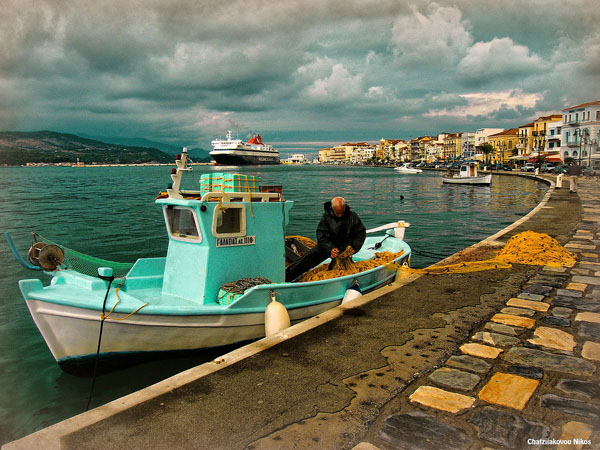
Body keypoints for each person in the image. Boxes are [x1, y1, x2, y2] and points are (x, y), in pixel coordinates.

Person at [285, 197, 366, 282]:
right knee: (305, 261)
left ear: (345, 208)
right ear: (332, 208)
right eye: (337, 213)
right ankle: (287, 276)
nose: (340, 215)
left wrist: (354, 247)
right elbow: (321, 236)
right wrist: (330, 249)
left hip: (345, 248)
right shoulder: (326, 218)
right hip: (327, 246)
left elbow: (361, 233)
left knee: (337, 268)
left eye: (342, 212)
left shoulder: (353, 216)